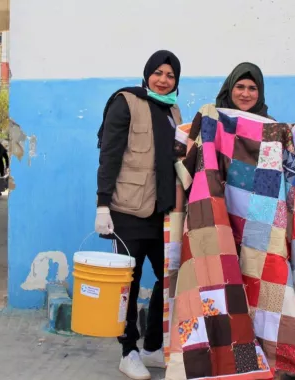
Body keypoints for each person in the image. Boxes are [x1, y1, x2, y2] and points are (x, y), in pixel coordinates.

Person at [95, 50, 182, 380]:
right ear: (147, 74)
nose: (163, 79)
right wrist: (103, 204)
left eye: (170, 75)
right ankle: (128, 350)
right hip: (128, 210)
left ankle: (153, 347)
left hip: (164, 213)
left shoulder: (173, 109)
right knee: (126, 286)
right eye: (158, 73)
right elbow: (110, 154)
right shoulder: (126, 102)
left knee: (168, 280)